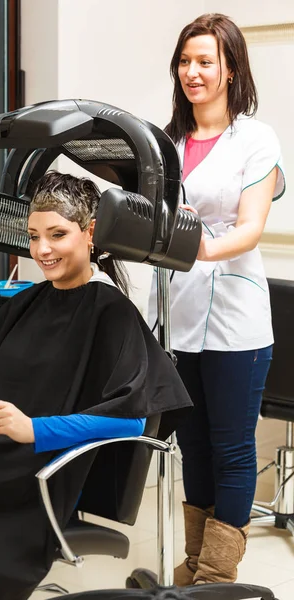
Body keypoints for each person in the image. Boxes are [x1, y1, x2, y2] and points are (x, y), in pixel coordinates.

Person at [0, 171, 192, 600]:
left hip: (24, 477)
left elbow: (132, 423)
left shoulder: (111, 311)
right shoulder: (27, 301)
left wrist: (34, 429)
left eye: (57, 234)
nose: (43, 249)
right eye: (34, 236)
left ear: (90, 233)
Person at [149, 13, 285, 586]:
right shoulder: (167, 141)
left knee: (231, 449)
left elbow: (249, 228)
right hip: (179, 316)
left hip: (235, 320)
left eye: (205, 61)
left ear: (231, 69)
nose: (192, 72)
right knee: (194, 448)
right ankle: (196, 565)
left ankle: (216, 579)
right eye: (185, 60)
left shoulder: (255, 138)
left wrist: (192, 246)